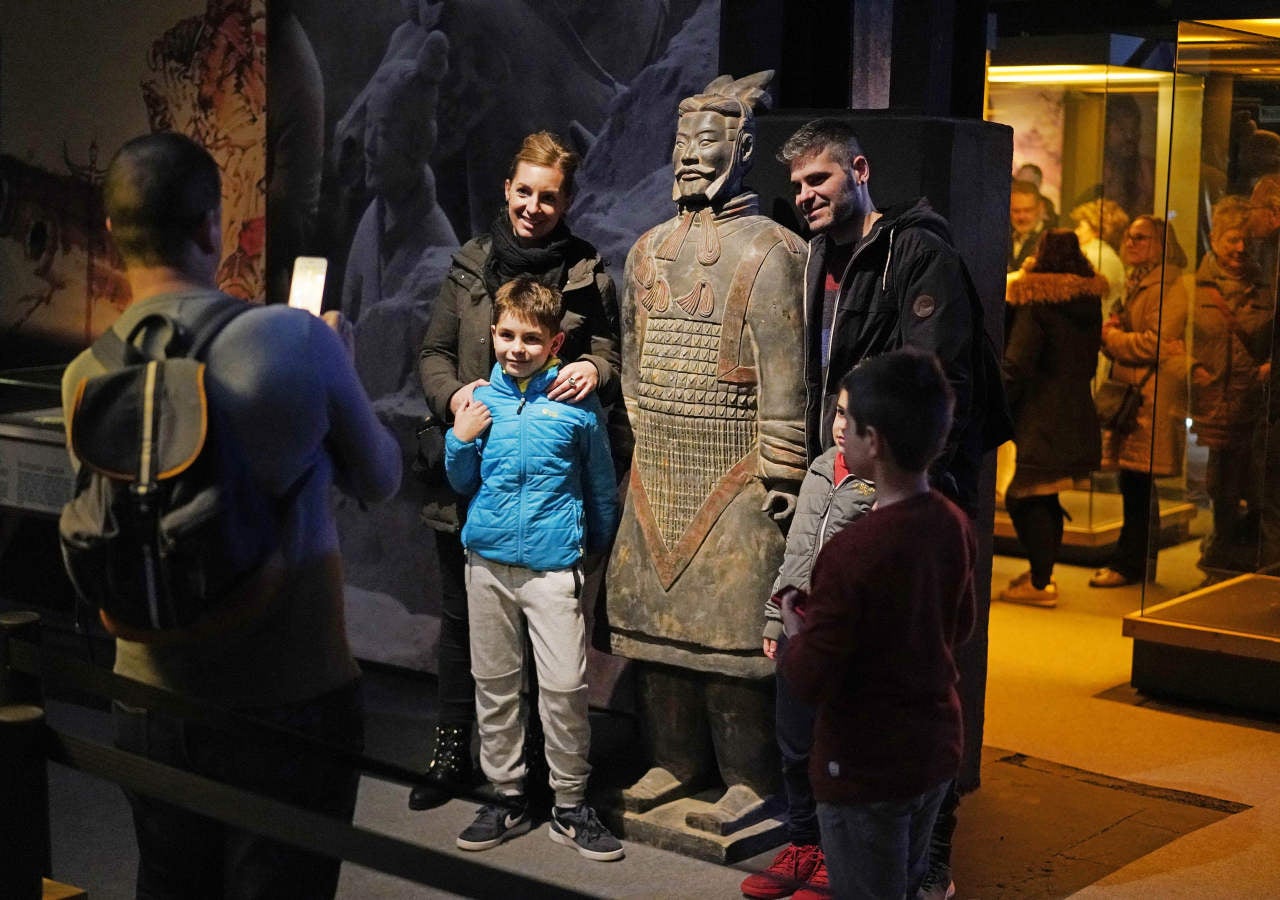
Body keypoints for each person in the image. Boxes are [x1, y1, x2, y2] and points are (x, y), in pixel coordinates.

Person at [61, 132, 402, 897]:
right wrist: (336, 365)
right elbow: (379, 478)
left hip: (147, 695)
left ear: (113, 232)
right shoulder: (296, 340)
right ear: (213, 227)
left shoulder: (87, 372)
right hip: (289, 699)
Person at [780, 116, 1008, 899]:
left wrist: (902, 493)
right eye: (799, 184)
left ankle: (930, 851)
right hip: (841, 479)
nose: (806, 196)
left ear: (861, 171)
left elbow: (935, 385)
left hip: (901, 492)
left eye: (821, 180)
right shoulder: (818, 256)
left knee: (917, 668)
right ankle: (832, 846)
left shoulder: (918, 252)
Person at [605, 71, 807, 834]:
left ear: (744, 149)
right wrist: (636, 446)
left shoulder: (772, 250)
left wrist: (783, 472)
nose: (690, 157)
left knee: (729, 634)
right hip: (657, 462)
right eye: (683, 143)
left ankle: (749, 776)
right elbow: (628, 354)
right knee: (657, 631)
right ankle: (675, 760)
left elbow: (788, 371)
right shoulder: (646, 248)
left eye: (708, 143)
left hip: (738, 470)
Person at [413, 131, 621, 809]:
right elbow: (435, 352)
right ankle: (454, 752)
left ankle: (542, 767)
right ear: (507, 189)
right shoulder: (470, 264)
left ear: (567, 200)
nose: (534, 206)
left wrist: (597, 367)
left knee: (552, 640)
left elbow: (611, 347)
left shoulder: (586, 269)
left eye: (549, 196)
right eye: (524, 191)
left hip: (550, 474)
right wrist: (456, 399)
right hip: (477, 462)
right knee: (463, 623)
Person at [779, 349, 977, 900]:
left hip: (865, 762)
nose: (841, 432)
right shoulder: (953, 523)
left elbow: (812, 677)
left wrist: (797, 630)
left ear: (876, 442)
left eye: (853, 424)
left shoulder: (853, 551)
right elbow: (959, 626)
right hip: (934, 746)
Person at [444, 277, 623, 861]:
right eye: (506, 335)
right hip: (488, 562)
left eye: (530, 338)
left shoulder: (575, 403)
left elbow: (599, 484)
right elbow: (462, 483)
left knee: (566, 686)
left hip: (553, 567)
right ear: (492, 334)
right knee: (494, 684)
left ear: (554, 345)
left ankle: (570, 803)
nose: (516, 347)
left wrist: (593, 544)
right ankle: (506, 794)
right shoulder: (480, 401)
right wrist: (459, 441)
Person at [741, 385, 875, 898]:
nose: (842, 426)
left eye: (856, 418)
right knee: (794, 746)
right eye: (840, 413)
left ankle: (837, 858)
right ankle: (803, 844)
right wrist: (776, 618)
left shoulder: (881, 485)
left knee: (835, 752)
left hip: (844, 644)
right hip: (799, 633)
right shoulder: (822, 467)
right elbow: (796, 554)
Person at [999, 231, 1106, 607]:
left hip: (1042, 413)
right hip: (1075, 408)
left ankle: (1042, 584)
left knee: (1022, 497)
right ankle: (1042, 575)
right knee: (1045, 493)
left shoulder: (1037, 301)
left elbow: (1017, 362)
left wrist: (996, 402)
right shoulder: (1088, 301)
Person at [1090, 216, 1189, 588]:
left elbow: (1156, 343)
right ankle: (1131, 561)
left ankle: (1131, 564)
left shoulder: (1170, 286)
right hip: (1134, 394)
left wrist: (1111, 338)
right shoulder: (1139, 282)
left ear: (1163, 243)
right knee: (1133, 484)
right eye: (1129, 237)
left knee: (1139, 485)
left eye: (1142, 238)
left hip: (1148, 398)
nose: (1131, 243)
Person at [1189, 195, 1274, 580]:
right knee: (1219, 486)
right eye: (1231, 240)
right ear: (1216, 239)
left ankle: (1239, 557)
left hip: (1254, 403)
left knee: (1254, 485)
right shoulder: (1197, 287)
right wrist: (1192, 368)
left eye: (1245, 241)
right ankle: (1219, 554)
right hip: (1213, 400)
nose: (1239, 248)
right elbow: (1180, 341)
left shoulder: (1265, 286)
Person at [1068, 198, 1129, 388]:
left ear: (1095, 227)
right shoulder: (1104, 254)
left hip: (1091, 337)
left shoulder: (1094, 255)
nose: (1076, 231)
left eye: (1081, 225)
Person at [1009, 179, 1048, 273]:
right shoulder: (1001, 237)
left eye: (1028, 210)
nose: (1021, 217)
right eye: (1016, 211)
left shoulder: (1051, 240)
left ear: (1041, 207)